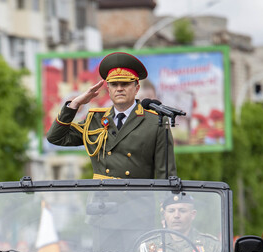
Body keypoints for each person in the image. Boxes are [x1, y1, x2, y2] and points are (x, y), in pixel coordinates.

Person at [47, 51, 176, 180]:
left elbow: (165, 174)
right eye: (114, 84)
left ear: (137, 88)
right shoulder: (95, 120)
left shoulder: (155, 122)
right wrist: (74, 104)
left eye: (125, 84)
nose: (119, 89)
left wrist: (168, 199)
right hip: (101, 198)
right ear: (108, 89)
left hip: (136, 198)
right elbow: (55, 137)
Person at [138, 193, 220, 252]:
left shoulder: (211, 246)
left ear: (193, 214)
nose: (176, 216)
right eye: (171, 211)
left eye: (182, 211)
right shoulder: (148, 247)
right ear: (164, 215)